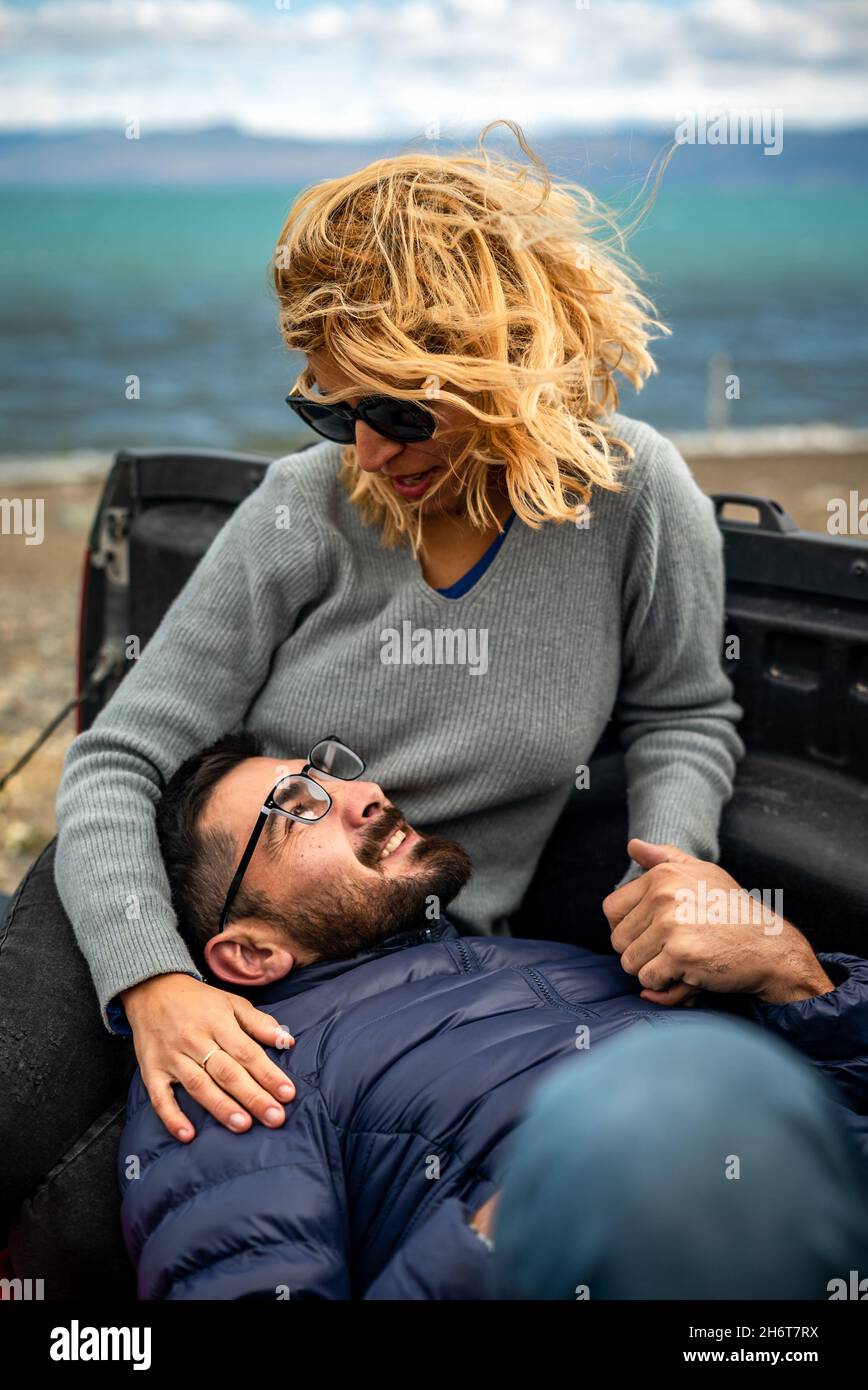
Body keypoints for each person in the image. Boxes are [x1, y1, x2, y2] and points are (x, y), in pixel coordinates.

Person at [4, 122, 744, 1179]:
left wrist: (674, 874)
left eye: (398, 408)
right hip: (170, 904)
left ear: (504, 365)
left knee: (110, 1204)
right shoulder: (302, 508)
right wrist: (153, 982)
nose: (366, 449)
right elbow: (120, 760)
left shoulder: (635, 497)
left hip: (411, 972)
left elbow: (682, 710)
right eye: (331, 408)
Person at [118, 733, 868, 1299]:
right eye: (298, 810)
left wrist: (791, 972)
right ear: (251, 955)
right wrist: (509, 1232)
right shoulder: (233, 1068)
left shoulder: (545, 953)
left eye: (332, 775)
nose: (367, 791)